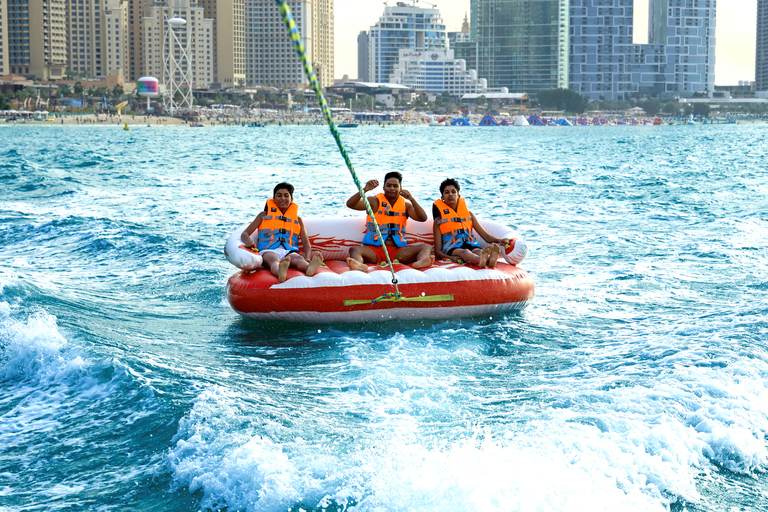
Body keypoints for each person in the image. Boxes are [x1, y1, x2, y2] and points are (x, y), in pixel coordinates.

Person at [346, 171, 433, 271]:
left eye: (395, 186)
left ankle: (421, 262)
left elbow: (423, 218)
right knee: (355, 249)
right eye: (389, 185)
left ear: (400, 188)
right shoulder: (374, 201)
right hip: (374, 250)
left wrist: (412, 199)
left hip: (397, 252)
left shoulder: (406, 205)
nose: (392, 188)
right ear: (383, 187)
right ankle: (359, 264)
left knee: (426, 247)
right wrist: (365, 190)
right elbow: (350, 204)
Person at [241, 182, 323, 282]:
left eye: (286, 195)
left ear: (291, 199)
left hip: (288, 251)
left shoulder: (298, 220)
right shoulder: (263, 215)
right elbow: (245, 234)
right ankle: (280, 271)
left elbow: (306, 242)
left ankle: (309, 268)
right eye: (279, 195)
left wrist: (308, 258)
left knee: (298, 260)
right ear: (274, 199)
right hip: (268, 250)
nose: (283, 198)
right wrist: (248, 242)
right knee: (273, 260)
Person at [432, 178, 512, 268]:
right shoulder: (439, 220)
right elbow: (438, 251)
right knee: (464, 252)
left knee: (478, 251)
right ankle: (483, 260)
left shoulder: (469, 215)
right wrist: (450, 257)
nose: (450, 194)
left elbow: (486, 237)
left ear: (458, 195)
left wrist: (499, 240)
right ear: (442, 198)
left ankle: (488, 259)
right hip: (452, 248)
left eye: (453, 191)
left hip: (471, 244)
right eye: (446, 192)